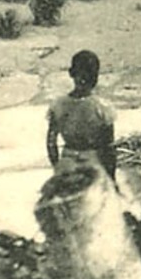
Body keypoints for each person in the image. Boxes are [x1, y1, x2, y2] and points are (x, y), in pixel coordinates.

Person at [47, 49, 118, 181]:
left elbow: (51, 142)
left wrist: (57, 168)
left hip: (67, 164)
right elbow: (109, 148)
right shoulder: (102, 107)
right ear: (96, 77)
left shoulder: (58, 105)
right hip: (93, 165)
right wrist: (112, 180)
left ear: (71, 74)